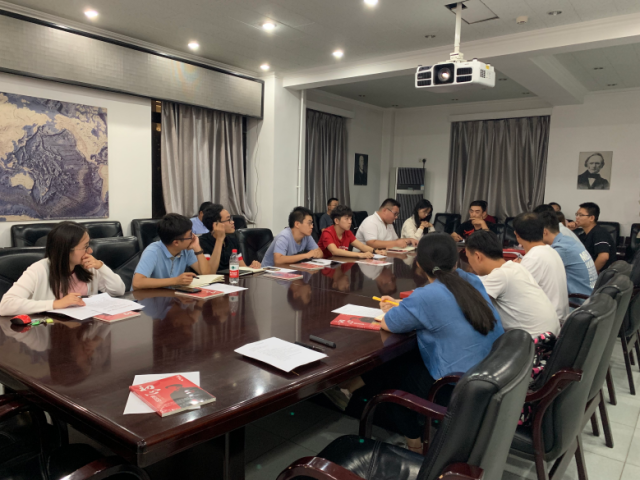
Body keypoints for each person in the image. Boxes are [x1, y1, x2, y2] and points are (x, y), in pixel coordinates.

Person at [363, 233, 503, 452]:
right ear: (456, 261)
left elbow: (389, 324)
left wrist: (398, 308)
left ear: (418, 264)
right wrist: (407, 305)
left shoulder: (426, 296)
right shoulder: (470, 279)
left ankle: (414, 443)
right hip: (490, 377)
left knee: (389, 370)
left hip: (456, 388)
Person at [0, 221, 125, 316]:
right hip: (50, 333)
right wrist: (55, 304)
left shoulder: (87, 266)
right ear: (66, 250)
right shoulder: (39, 270)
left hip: (85, 329)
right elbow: (5, 305)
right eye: (85, 247)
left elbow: (118, 291)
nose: (90, 251)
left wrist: (101, 267)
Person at [465, 230, 560, 337]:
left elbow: (470, 301)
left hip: (533, 342)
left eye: (468, 258)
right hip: (551, 336)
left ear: (477, 256)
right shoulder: (516, 267)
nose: (469, 263)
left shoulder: (500, 275)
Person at [513, 212, 570, 322]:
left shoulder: (533, 258)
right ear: (543, 231)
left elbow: (516, 293)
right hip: (558, 317)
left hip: (547, 322)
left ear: (517, 235)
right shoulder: (550, 250)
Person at [132, 213, 211, 290]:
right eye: (190, 235)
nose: (194, 237)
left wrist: (197, 248)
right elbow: (137, 283)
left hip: (170, 295)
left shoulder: (186, 249)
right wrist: (175, 281)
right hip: (146, 296)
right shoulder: (152, 251)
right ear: (176, 242)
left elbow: (207, 274)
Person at [539, 211, 597, 300]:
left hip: (578, 302)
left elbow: (540, 274)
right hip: (591, 296)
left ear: (544, 231)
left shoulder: (561, 249)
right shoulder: (568, 240)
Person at [199, 204, 261, 272]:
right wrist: (219, 240)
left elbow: (242, 268)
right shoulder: (202, 242)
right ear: (216, 224)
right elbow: (210, 272)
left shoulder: (233, 239)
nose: (232, 222)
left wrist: (251, 267)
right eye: (228, 219)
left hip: (231, 277)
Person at [318, 205, 385, 259]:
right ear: (336, 221)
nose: (350, 222)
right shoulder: (327, 233)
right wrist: (360, 255)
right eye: (346, 219)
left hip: (340, 262)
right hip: (326, 266)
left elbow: (361, 246)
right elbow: (334, 251)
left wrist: (376, 251)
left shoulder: (347, 232)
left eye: (350, 219)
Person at [575, 202, 617, 272]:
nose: (577, 217)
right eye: (576, 214)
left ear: (591, 218)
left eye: (581, 215)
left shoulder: (599, 232)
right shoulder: (583, 235)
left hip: (602, 274)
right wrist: (568, 229)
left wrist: (591, 273)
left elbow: (603, 256)